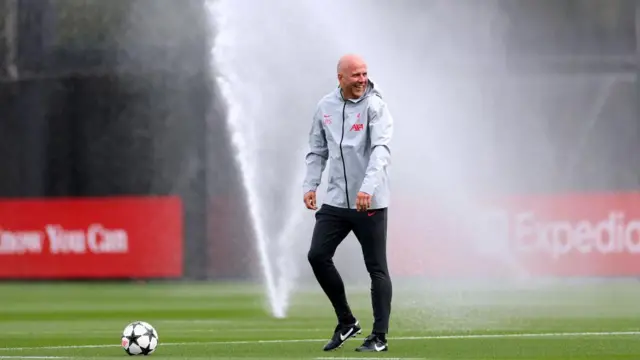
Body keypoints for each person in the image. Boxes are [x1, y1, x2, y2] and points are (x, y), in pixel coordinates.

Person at [302, 54, 393, 352]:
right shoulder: (325, 106)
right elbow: (317, 150)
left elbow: (381, 151)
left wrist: (368, 188)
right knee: (317, 255)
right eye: (355, 75)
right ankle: (347, 321)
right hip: (338, 201)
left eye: (365, 73)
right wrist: (310, 184)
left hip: (370, 202)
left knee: (376, 268)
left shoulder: (375, 106)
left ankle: (379, 337)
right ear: (340, 78)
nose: (362, 80)